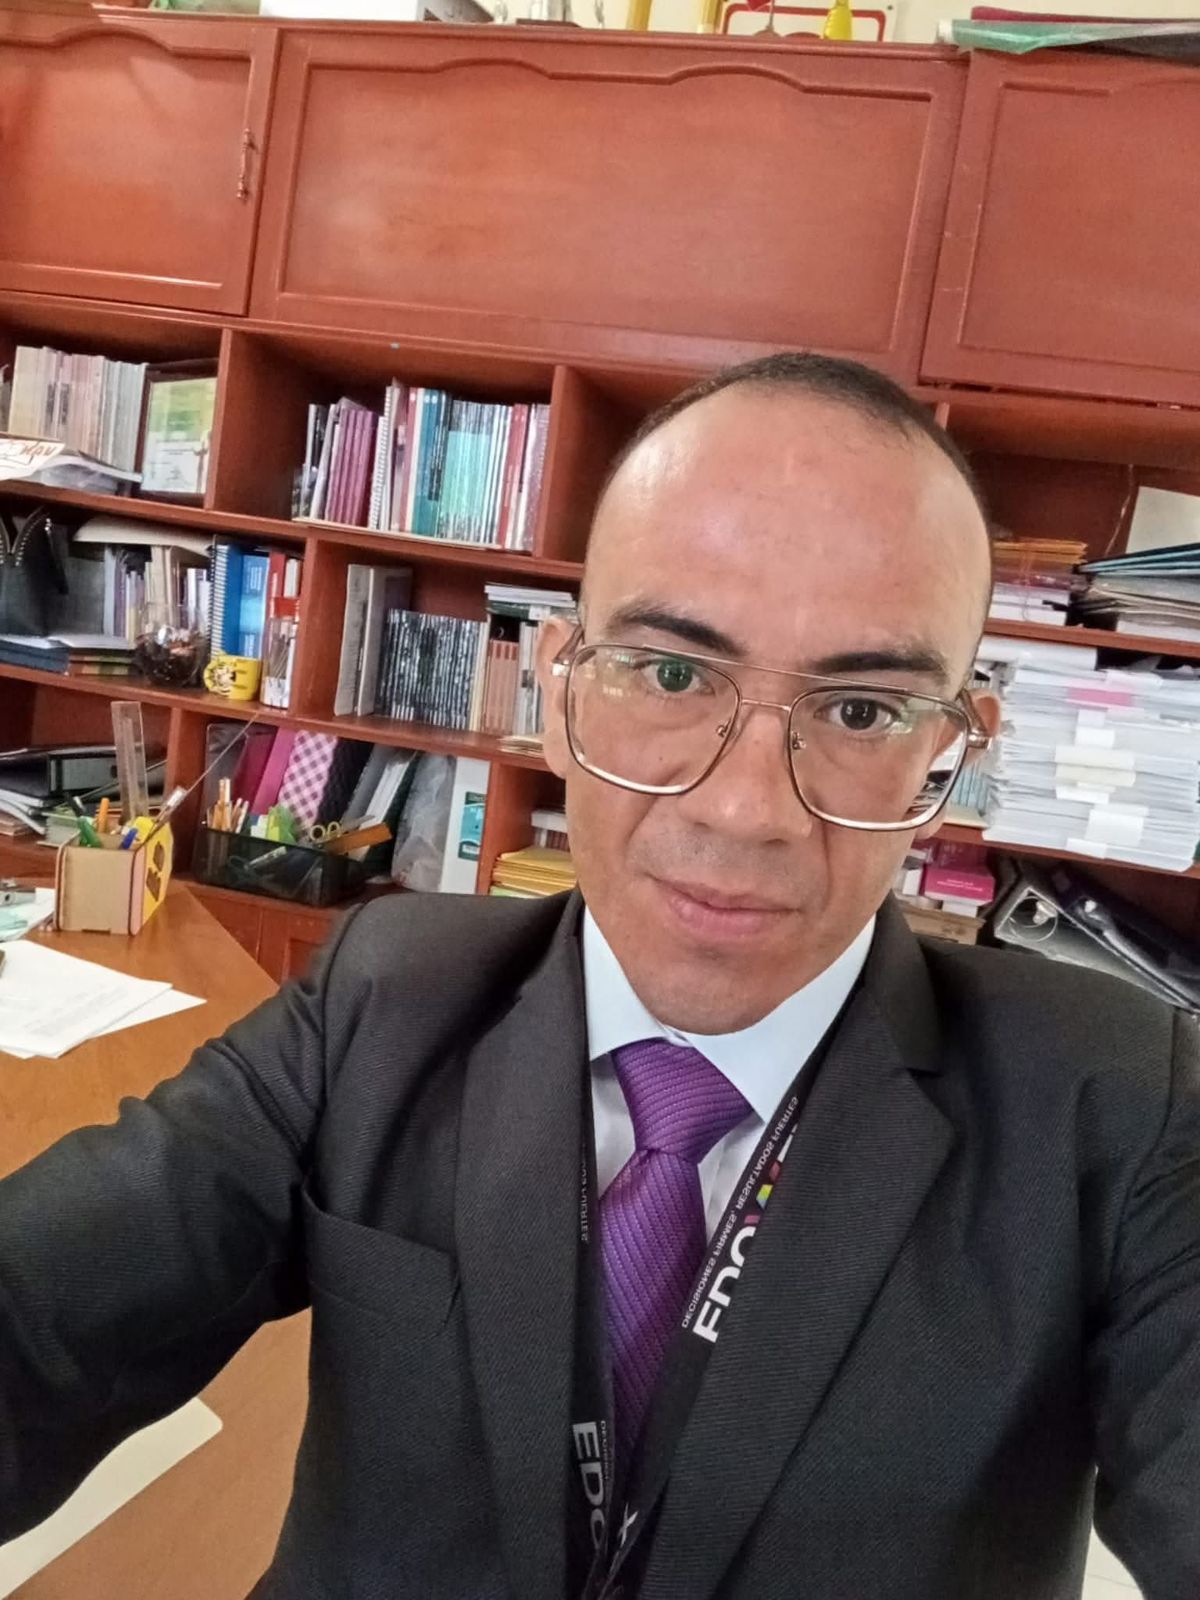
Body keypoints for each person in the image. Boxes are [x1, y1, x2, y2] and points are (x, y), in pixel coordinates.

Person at [1, 353, 1197, 1600]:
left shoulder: (1118, 1106)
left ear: (953, 752)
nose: (744, 810)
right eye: (674, 675)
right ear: (561, 690)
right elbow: (40, 1315)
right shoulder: (385, 998)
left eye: (861, 710)